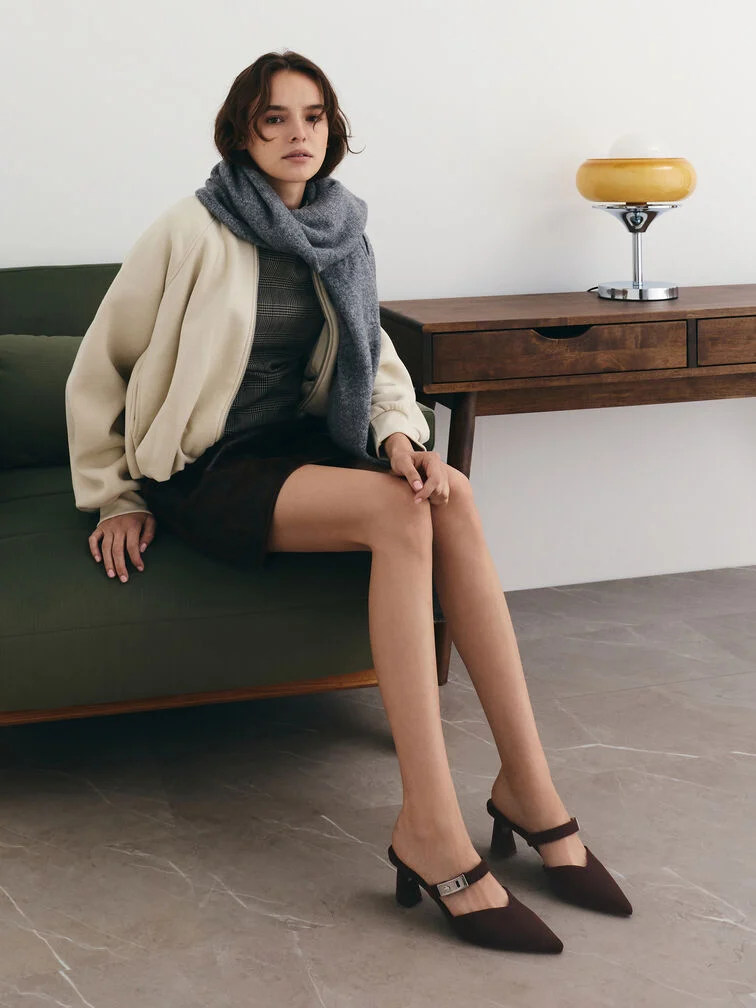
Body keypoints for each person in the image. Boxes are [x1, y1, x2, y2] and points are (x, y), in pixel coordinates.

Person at [65, 50, 632, 954]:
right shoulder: (192, 228)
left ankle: (529, 787)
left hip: (302, 450)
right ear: (241, 134)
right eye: (275, 118)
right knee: (399, 513)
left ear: (333, 131)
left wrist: (401, 439)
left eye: (314, 116)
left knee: (449, 493)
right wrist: (114, 495)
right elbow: (102, 365)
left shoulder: (341, 229)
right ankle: (431, 827)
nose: (298, 134)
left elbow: (377, 363)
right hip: (208, 467)